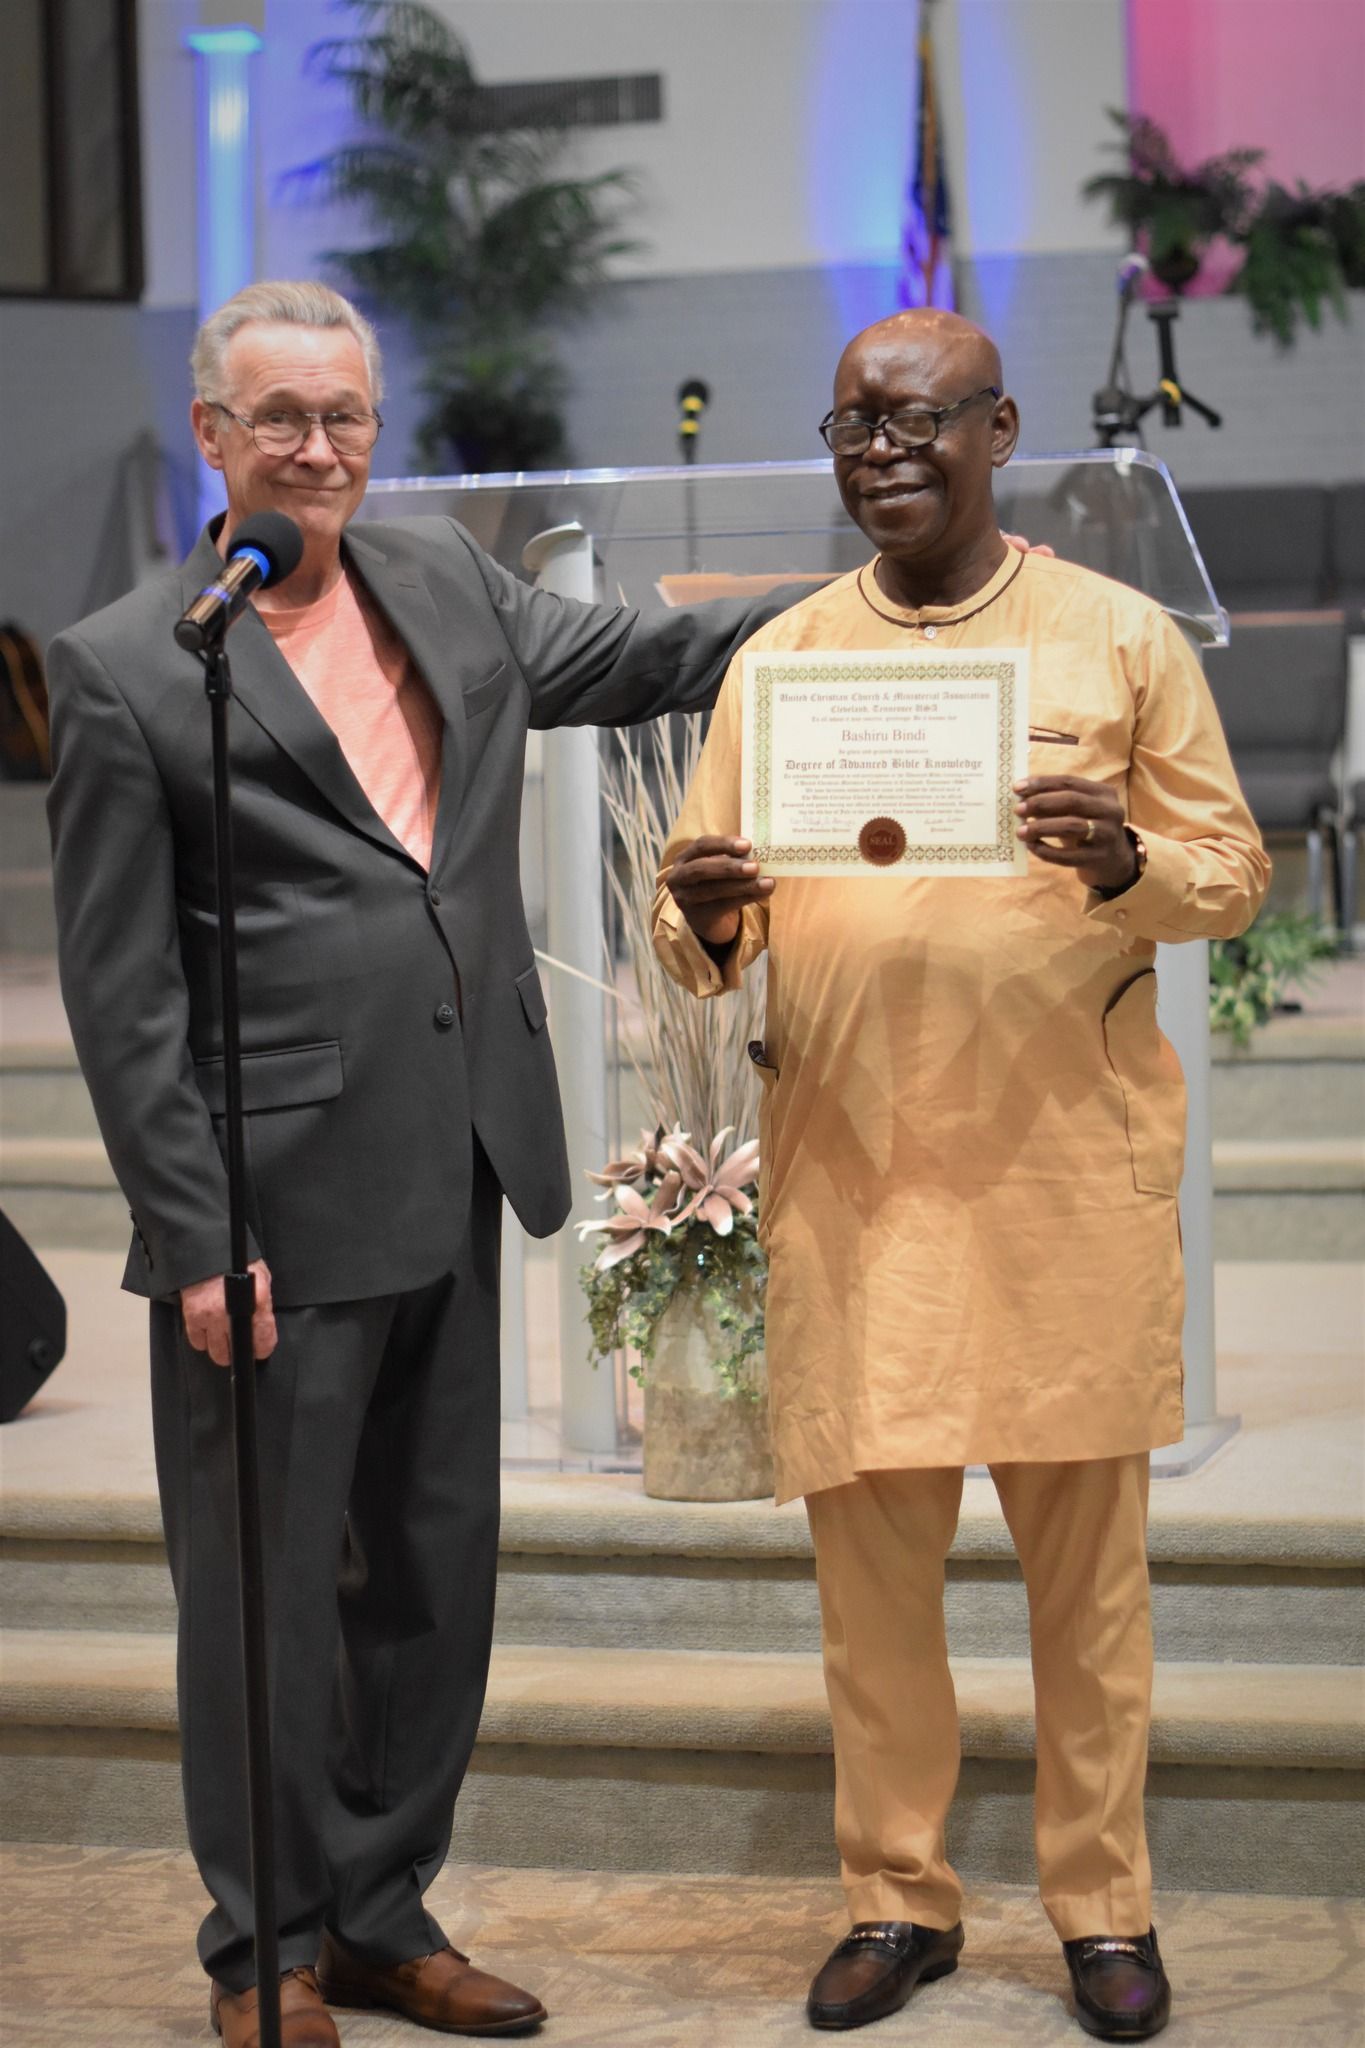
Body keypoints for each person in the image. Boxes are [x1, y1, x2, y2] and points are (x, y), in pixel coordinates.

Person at [44, 279, 814, 2048]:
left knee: (429, 1572)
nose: (318, 448)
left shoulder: (446, 582)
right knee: (260, 1596)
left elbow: (640, 662)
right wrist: (195, 1231)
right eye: (281, 417)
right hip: (269, 1200)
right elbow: (123, 993)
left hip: (454, 1153)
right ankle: (265, 1949)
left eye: (345, 416)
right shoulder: (132, 662)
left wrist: (870, 602)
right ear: (214, 436)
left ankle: (385, 1915)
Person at [654, 308, 1269, 2042]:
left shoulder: (1116, 636)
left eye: (917, 420)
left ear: (997, 432)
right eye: (854, 425)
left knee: (1089, 1596)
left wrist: (1128, 860)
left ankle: (1103, 1910)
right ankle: (895, 1896)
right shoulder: (781, 661)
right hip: (855, 1183)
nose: (883, 452)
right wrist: (703, 913)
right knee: (871, 1599)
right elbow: (699, 926)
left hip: (1059, 1179)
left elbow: (1231, 873)